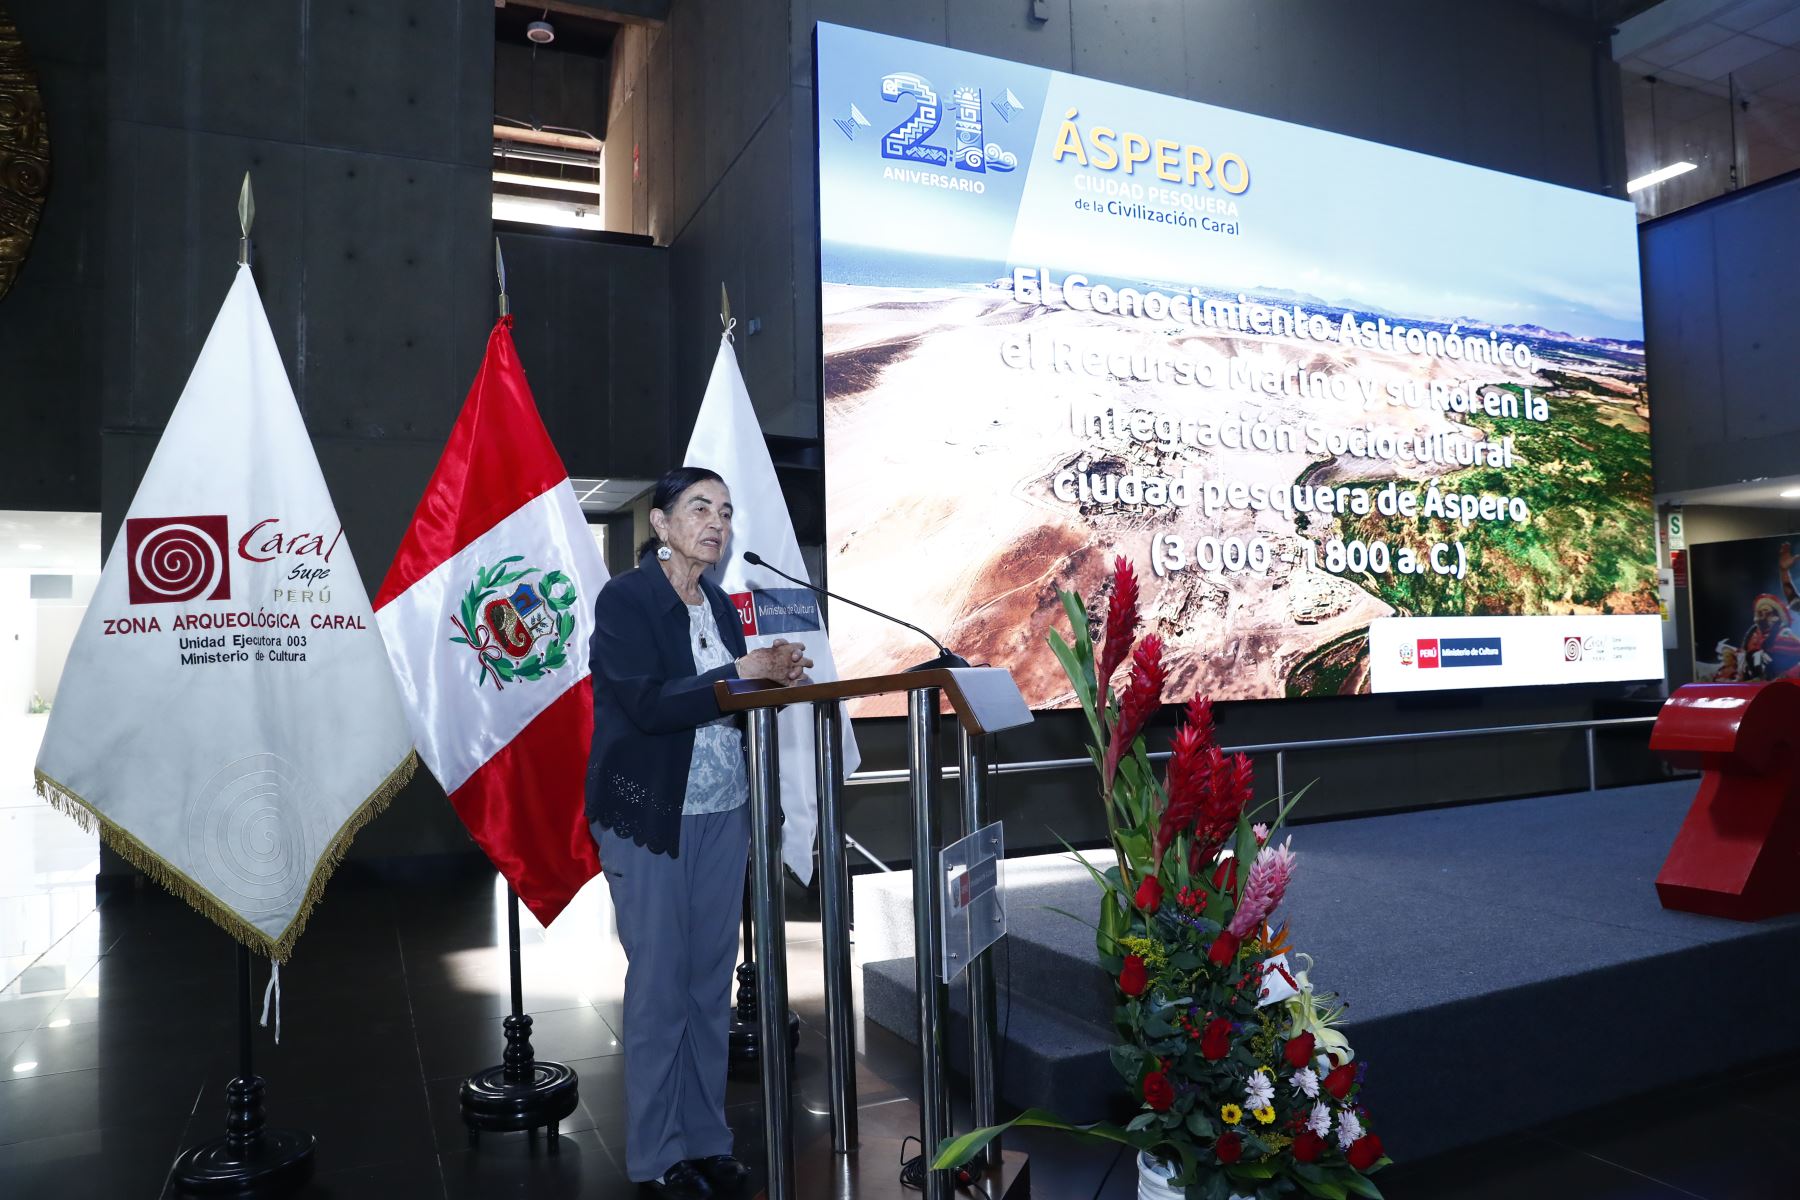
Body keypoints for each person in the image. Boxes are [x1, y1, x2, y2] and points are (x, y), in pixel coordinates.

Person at [586, 466, 811, 1199]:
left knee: (710, 986)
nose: (715, 522)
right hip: (651, 814)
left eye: (724, 511)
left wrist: (769, 674)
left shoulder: (720, 600)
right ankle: (657, 1155)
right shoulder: (627, 599)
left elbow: (729, 692)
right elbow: (646, 704)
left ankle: (706, 1138)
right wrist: (737, 673)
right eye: (698, 508)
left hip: (724, 812)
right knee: (659, 988)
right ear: (660, 523)